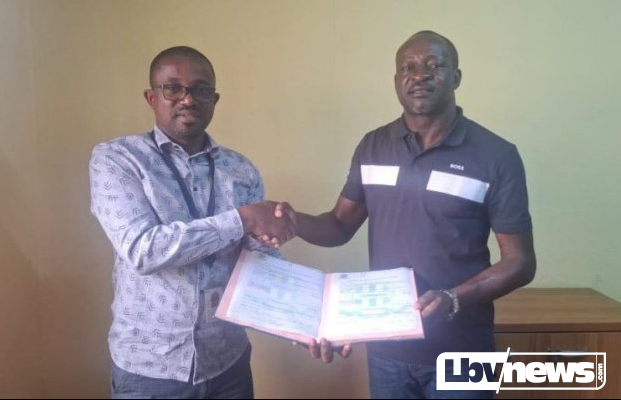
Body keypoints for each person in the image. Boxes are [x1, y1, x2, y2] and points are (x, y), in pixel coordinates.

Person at [272, 31, 536, 399]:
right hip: (387, 349)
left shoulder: (497, 155)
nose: (420, 75)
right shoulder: (373, 145)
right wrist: (293, 221)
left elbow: (520, 262)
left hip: (462, 348)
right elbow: (340, 225)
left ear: (456, 77)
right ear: (396, 80)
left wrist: (453, 297)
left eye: (434, 65)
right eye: (408, 68)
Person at [89, 46, 295, 399]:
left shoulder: (241, 169)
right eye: (173, 88)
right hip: (150, 370)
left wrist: (303, 322)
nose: (188, 99)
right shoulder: (118, 159)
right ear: (152, 97)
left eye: (201, 90)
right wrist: (242, 218)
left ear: (214, 99)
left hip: (228, 364)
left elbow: (257, 259)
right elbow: (142, 250)